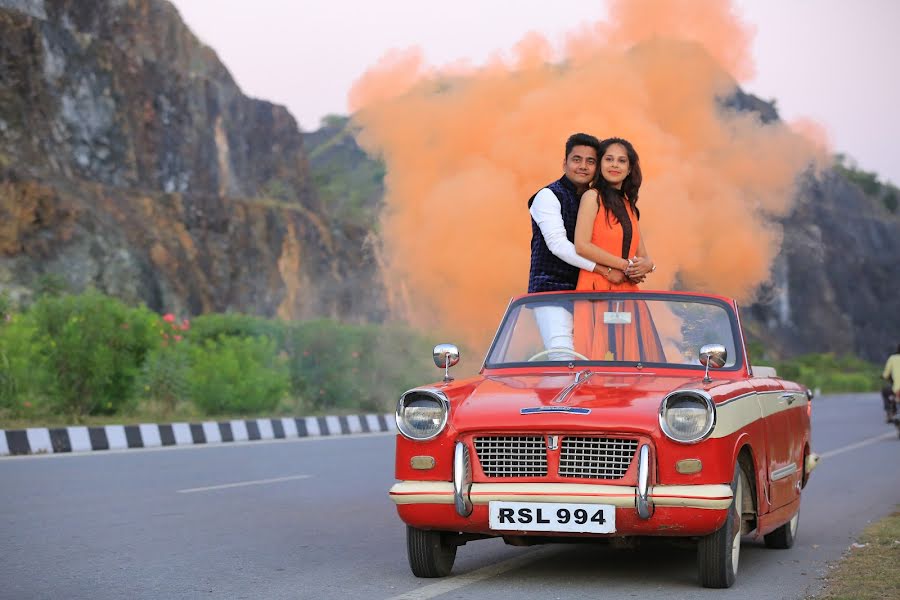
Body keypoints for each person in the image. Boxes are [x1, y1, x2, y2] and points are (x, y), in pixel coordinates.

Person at [572, 137, 663, 362]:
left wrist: (648, 266)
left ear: (630, 167)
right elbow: (581, 246)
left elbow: (643, 254)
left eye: (621, 161)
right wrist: (625, 265)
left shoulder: (629, 205)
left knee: (632, 363)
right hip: (596, 289)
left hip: (627, 292)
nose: (615, 165)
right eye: (609, 159)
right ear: (600, 164)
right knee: (593, 361)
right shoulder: (592, 197)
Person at [528, 133, 611, 358]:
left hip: (588, 293)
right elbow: (558, 245)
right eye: (577, 159)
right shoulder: (547, 196)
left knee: (594, 359)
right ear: (565, 163)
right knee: (563, 358)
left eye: (590, 161)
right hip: (551, 292)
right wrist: (604, 269)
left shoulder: (597, 199)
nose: (583, 166)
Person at [882, 343, 900, 422]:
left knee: (885, 392)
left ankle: (889, 412)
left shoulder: (893, 358)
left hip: (896, 388)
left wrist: (883, 376)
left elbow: (886, 374)